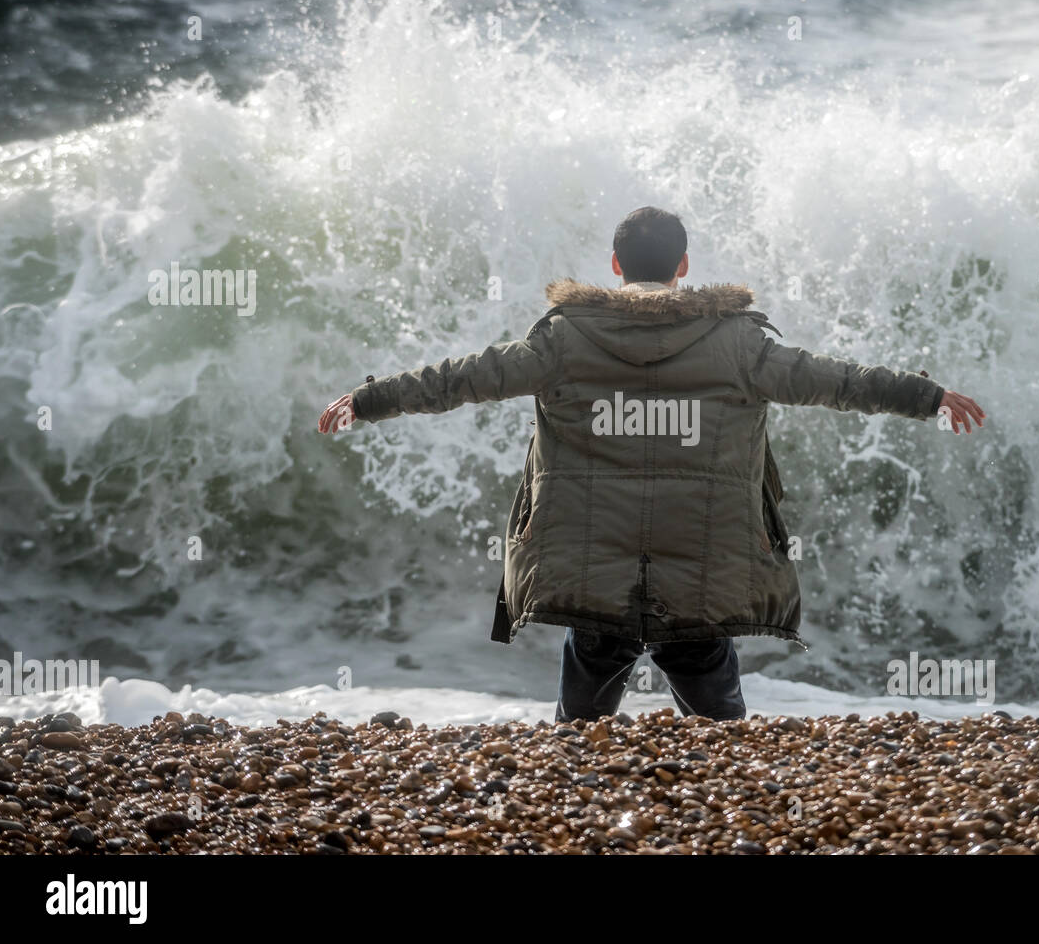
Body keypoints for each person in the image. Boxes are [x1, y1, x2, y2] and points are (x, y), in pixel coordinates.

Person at [319, 206, 985, 722]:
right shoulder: (740, 342)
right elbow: (840, 381)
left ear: (614, 266)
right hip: (698, 571)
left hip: (593, 571)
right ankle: (728, 789)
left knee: (587, 679)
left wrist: (367, 399)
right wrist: (927, 396)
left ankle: (573, 771)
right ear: (683, 265)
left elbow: (460, 379)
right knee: (712, 697)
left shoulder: (563, 337)